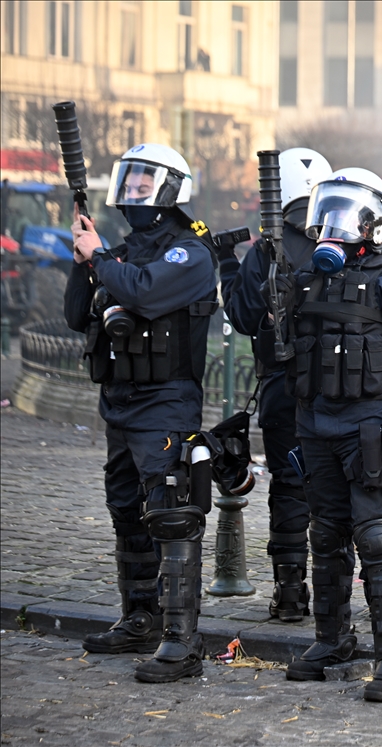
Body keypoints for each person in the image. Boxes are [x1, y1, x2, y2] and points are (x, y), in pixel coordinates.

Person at [282, 167, 382, 705]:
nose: (332, 224)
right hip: (315, 425)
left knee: (377, 537)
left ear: (374, 221)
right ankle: (333, 642)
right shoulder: (305, 276)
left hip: (369, 426)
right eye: (326, 210)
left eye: (345, 212)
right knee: (325, 536)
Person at [64, 143, 219, 683]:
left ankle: (182, 643)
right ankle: (140, 619)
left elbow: (145, 295)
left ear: (170, 190)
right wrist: (82, 260)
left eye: (142, 183)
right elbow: (73, 314)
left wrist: (101, 258)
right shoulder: (125, 250)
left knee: (171, 516)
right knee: (126, 511)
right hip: (121, 402)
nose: (131, 193)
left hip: (166, 403)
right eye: (128, 182)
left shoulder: (188, 254)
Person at [218, 148, 333, 621]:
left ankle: (290, 595)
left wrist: (227, 263)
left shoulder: (267, 248)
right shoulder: (341, 242)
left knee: (289, 486)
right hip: (335, 388)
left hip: (283, 389)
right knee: (334, 491)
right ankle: (335, 596)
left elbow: (243, 317)